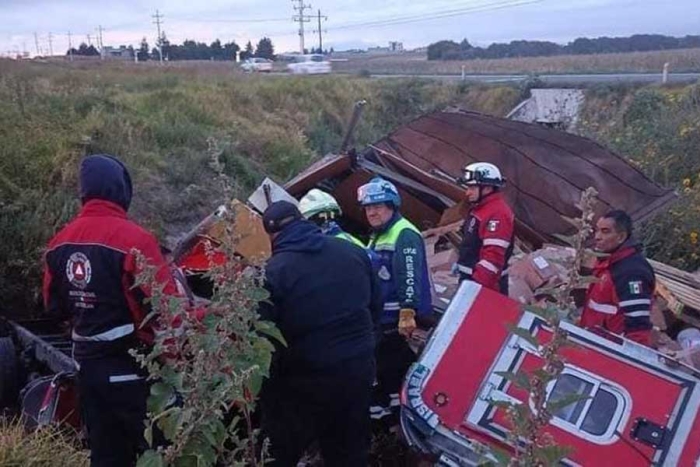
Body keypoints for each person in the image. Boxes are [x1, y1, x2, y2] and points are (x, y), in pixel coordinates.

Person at [43, 154, 178, 467]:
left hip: (87, 370)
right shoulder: (135, 240)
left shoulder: (58, 242)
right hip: (132, 371)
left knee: (105, 455)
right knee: (159, 452)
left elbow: (53, 306)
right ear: (121, 189)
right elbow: (169, 308)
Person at [258, 201, 380, 467]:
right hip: (357, 372)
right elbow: (375, 307)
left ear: (271, 234)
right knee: (349, 452)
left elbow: (263, 342)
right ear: (303, 220)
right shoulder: (352, 252)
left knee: (278, 453)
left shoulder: (272, 273)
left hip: (304, 382)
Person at [356, 177, 432, 419]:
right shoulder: (379, 234)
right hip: (383, 314)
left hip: (397, 316)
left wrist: (407, 312)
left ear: (391, 206)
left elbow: (408, 274)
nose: (372, 212)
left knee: (392, 363)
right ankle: (393, 410)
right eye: (368, 208)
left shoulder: (404, 233)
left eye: (377, 207)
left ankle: (400, 410)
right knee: (386, 364)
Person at [580, 210, 654, 346]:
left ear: (621, 237)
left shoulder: (632, 273)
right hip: (592, 342)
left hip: (608, 350)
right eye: (597, 231)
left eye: (605, 231)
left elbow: (638, 326)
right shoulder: (607, 262)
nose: (597, 237)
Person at [455, 162, 514, 295]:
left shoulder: (497, 214)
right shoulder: (480, 209)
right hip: (471, 281)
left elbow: (493, 258)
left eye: (472, 188)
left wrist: (475, 287)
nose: (467, 192)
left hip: (485, 288)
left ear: (487, 188)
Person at [299, 188, 364, 247]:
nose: (327, 221)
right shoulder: (350, 240)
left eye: (332, 216)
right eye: (320, 218)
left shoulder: (319, 246)